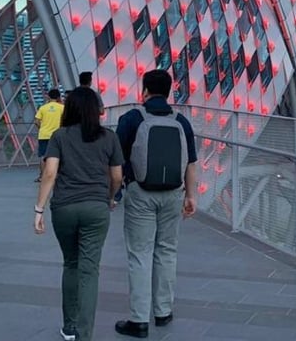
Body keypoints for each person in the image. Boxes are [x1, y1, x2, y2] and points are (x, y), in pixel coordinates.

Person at [34, 87, 123, 341]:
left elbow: (50, 173)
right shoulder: (109, 137)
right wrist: (110, 196)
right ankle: (85, 334)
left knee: (71, 263)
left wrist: (38, 209)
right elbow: (116, 176)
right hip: (96, 207)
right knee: (89, 270)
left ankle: (69, 326)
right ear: (97, 111)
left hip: (64, 207)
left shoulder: (59, 136)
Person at [114, 70, 198, 338]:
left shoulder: (132, 119)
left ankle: (139, 320)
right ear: (170, 91)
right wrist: (190, 196)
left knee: (140, 253)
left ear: (145, 90)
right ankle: (163, 311)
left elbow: (115, 159)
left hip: (140, 193)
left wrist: (115, 191)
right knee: (167, 250)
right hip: (174, 193)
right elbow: (191, 164)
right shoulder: (182, 121)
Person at [34, 88, 64, 182]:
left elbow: (37, 121)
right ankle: (57, 175)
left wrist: (41, 128)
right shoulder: (62, 107)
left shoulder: (43, 108)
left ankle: (42, 176)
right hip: (57, 135)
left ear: (48, 96)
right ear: (58, 97)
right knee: (59, 156)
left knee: (43, 156)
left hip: (43, 135)